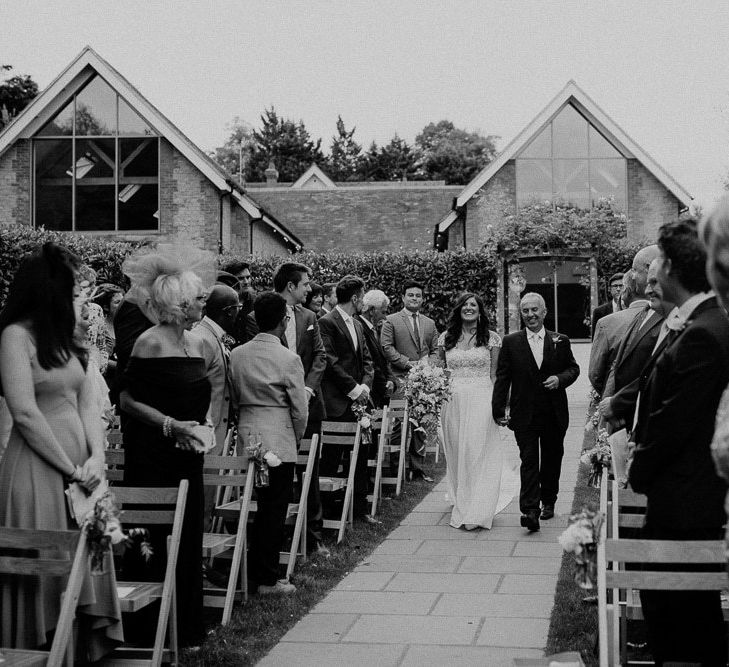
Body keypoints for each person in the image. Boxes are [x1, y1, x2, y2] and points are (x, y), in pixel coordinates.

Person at [0, 242, 122, 657]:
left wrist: (97, 459)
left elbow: (88, 402)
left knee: (85, 562)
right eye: (73, 292)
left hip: (83, 468)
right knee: (49, 569)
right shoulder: (15, 337)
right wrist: (70, 469)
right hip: (38, 468)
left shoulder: (67, 340)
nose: (80, 301)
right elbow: (25, 412)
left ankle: (79, 652)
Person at [629, 218, 728, 665]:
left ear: (670, 266)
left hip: (685, 508)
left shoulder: (705, 333)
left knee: (685, 634)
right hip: (683, 503)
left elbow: (673, 423)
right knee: (682, 633)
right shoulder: (703, 323)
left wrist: (637, 466)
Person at [119, 250, 215, 648]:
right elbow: (126, 400)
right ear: (179, 303)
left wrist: (204, 423)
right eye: (197, 298)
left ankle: (187, 625)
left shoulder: (198, 342)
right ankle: (148, 630)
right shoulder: (149, 343)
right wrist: (169, 424)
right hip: (154, 457)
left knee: (189, 536)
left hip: (188, 456)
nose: (202, 303)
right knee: (155, 539)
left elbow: (200, 392)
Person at [229, 292, 308, 595]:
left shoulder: (237, 354)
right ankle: (268, 578)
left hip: (248, 433)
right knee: (274, 510)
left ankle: (250, 570)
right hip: (278, 436)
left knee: (251, 505)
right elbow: (300, 409)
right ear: (283, 321)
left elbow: (234, 399)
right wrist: (294, 437)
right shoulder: (289, 358)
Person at [248, 262, 328, 555]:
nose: (310, 289)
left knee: (311, 472)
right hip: (275, 409)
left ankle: (313, 535)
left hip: (308, 403)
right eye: (306, 284)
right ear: (291, 286)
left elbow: (320, 355)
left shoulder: (309, 316)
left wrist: (306, 389)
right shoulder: (260, 315)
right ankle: (277, 538)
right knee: (275, 477)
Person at [492, 292, 580, 532]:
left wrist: (559, 379)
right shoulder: (510, 342)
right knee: (529, 460)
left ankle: (549, 500)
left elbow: (573, 368)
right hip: (524, 414)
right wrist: (498, 409)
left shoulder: (560, 340)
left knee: (552, 459)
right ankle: (530, 510)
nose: (530, 315)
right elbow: (503, 377)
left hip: (554, 413)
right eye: (525, 311)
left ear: (544, 312)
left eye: (534, 310)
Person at [438, 292, 517, 530]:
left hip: (482, 397)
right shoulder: (445, 338)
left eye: (473, 305)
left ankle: (478, 508)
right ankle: (462, 495)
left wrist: (502, 403)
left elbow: (495, 374)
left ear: (480, 311)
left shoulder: (491, 338)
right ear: (458, 309)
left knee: (477, 450)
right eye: (465, 304)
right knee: (457, 451)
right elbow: (442, 372)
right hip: (452, 401)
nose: (469, 308)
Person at [319, 276, 377, 523]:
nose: (364, 301)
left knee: (362, 453)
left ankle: (360, 509)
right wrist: (353, 389)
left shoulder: (358, 324)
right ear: (355, 298)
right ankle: (327, 511)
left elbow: (367, 360)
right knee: (332, 457)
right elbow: (329, 361)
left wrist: (365, 386)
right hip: (338, 401)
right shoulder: (326, 322)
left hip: (359, 400)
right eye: (362, 296)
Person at [599, 257, 669, 431]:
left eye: (634, 271)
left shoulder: (674, 320)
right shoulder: (645, 312)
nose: (631, 276)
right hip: (629, 420)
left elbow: (659, 374)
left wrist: (618, 402)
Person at [190, 284, 240, 528]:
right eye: (238, 308)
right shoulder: (203, 338)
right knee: (204, 492)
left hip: (217, 429)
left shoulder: (213, 335)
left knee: (210, 491)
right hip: (206, 430)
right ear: (229, 311)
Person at [380, 280, 439, 480]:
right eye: (411, 295)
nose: (415, 298)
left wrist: (425, 365)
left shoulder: (429, 323)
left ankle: (417, 468)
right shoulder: (391, 320)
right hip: (400, 378)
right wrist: (409, 364)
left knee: (421, 423)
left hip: (424, 380)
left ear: (423, 299)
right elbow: (387, 348)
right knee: (399, 423)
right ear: (403, 297)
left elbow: (436, 350)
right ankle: (397, 467)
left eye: (418, 295)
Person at [588, 267, 651, 396]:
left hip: (615, 398)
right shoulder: (662, 317)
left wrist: (611, 394)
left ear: (626, 291)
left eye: (621, 287)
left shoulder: (606, 323)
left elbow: (595, 374)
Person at [356, 289, 395, 408]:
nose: (385, 317)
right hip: (369, 393)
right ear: (372, 310)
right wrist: (385, 385)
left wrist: (391, 380)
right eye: (383, 312)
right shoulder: (359, 327)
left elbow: (382, 360)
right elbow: (370, 362)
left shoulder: (374, 329)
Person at [222, 260, 255, 346]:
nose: (246, 282)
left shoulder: (256, 302)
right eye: (240, 278)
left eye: (248, 277)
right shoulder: (223, 302)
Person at [591, 272, 624, 337]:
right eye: (615, 286)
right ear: (609, 289)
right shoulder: (599, 312)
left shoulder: (632, 309)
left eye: (621, 286)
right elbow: (595, 338)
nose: (618, 289)